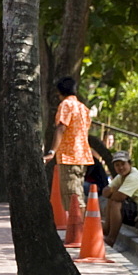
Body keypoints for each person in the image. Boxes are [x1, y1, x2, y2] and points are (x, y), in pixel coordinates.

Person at [43, 76, 92, 213]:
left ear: (59, 92)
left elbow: (61, 128)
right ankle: (78, 230)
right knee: (77, 193)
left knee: (73, 198)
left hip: (70, 156)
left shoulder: (66, 105)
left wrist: (52, 152)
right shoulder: (83, 108)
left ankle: (79, 232)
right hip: (82, 156)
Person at [103, 151, 138, 246]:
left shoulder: (134, 176)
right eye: (117, 165)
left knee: (116, 203)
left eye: (123, 164)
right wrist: (113, 190)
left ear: (130, 164)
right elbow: (104, 192)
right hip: (137, 207)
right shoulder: (120, 177)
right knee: (111, 200)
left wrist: (112, 192)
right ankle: (105, 232)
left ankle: (111, 239)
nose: (120, 167)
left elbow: (120, 197)